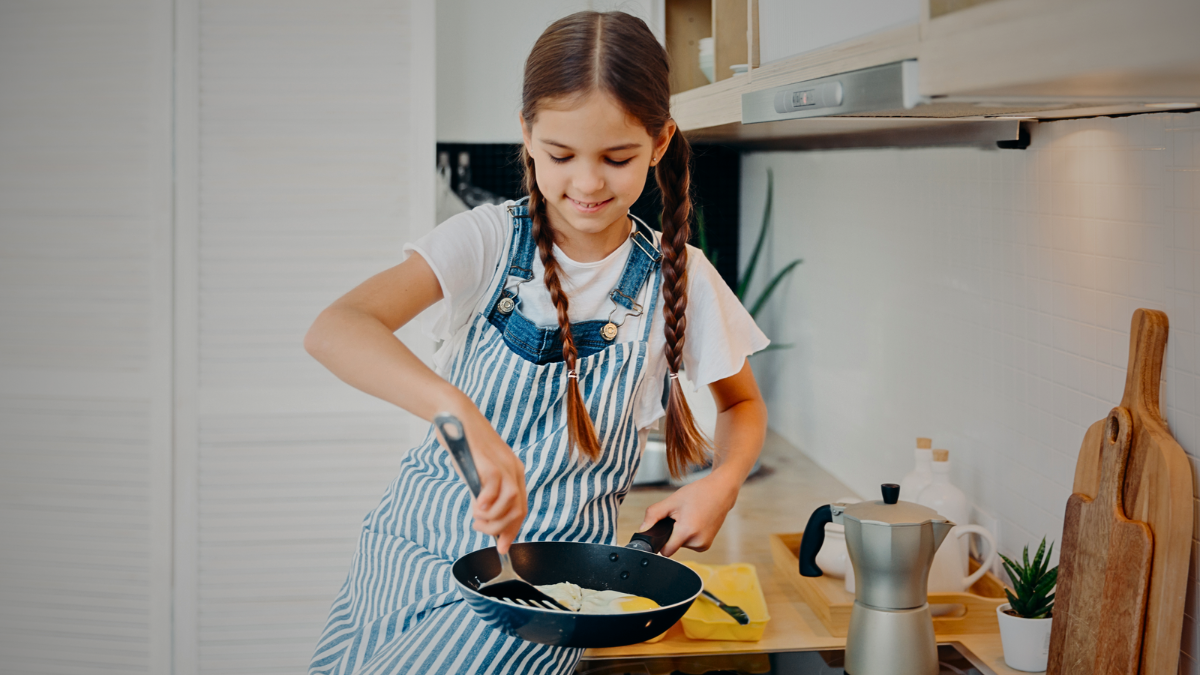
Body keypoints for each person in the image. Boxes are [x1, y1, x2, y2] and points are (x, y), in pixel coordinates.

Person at [305, 10, 769, 675]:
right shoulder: (486, 240)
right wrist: (460, 414)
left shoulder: (683, 277)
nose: (586, 183)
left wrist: (722, 480)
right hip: (408, 549)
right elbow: (336, 327)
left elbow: (742, 405)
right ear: (526, 135)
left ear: (661, 141)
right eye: (560, 155)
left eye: (616, 158)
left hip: (538, 598)